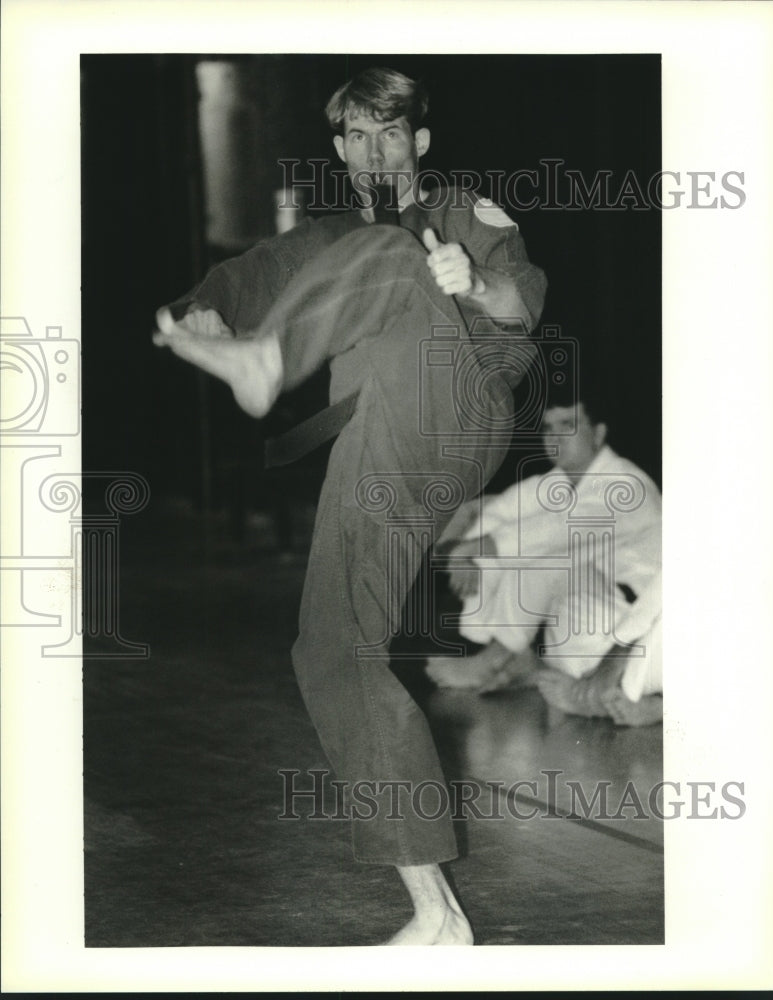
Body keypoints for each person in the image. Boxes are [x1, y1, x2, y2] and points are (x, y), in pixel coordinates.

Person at [153, 67, 547, 944]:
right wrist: (199, 314)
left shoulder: (467, 213)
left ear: (420, 143)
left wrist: (473, 284)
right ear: (340, 150)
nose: (376, 151)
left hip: (460, 401)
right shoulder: (326, 237)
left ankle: (268, 364)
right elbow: (240, 278)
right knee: (332, 650)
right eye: (358, 138)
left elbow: (520, 303)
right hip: (377, 449)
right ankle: (435, 914)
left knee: (393, 259)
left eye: (391, 134)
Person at [426, 396, 662, 725]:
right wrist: (463, 554)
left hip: (640, 635)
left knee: (542, 558)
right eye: (548, 428)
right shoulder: (557, 483)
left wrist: (470, 549)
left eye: (568, 425)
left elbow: (554, 532)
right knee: (503, 543)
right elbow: (500, 514)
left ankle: (495, 660)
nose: (555, 437)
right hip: (588, 621)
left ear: (598, 433)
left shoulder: (626, 485)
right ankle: (519, 663)